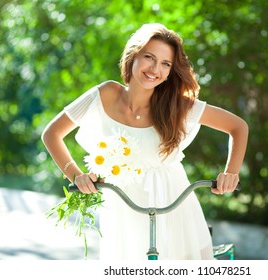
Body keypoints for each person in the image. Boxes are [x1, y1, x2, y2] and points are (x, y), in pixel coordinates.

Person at [41, 23, 248, 260]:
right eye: (149, 57)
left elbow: (238, 127)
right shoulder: (105, 94)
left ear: (171, 71)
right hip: (123, 205)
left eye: (165, 64)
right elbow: (52, 133)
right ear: (133, 57)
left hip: (174, 201)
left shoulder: (178, 106)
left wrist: (230, 173)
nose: (155, 69)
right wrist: (77, 175)